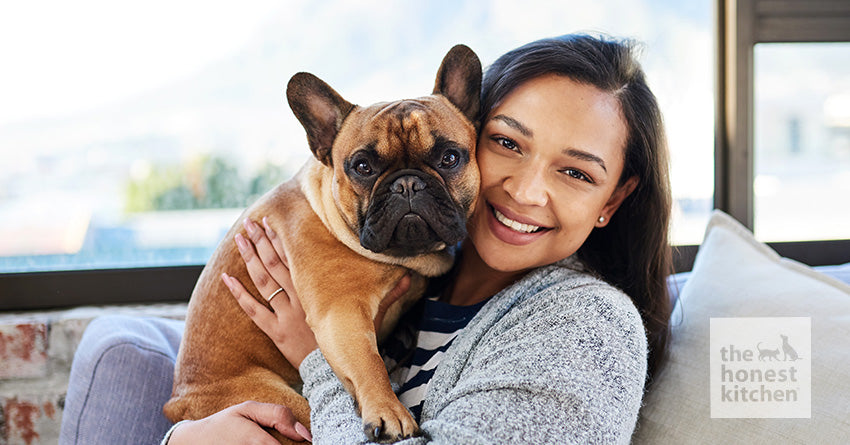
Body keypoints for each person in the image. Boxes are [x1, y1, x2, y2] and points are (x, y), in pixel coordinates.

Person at [60, 33, 672, 445]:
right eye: (508, 143)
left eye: (575, 172)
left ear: (613, 200)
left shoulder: (586, 330)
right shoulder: (418, 274)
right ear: (477, 128)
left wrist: (314, 359)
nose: (526, 189)